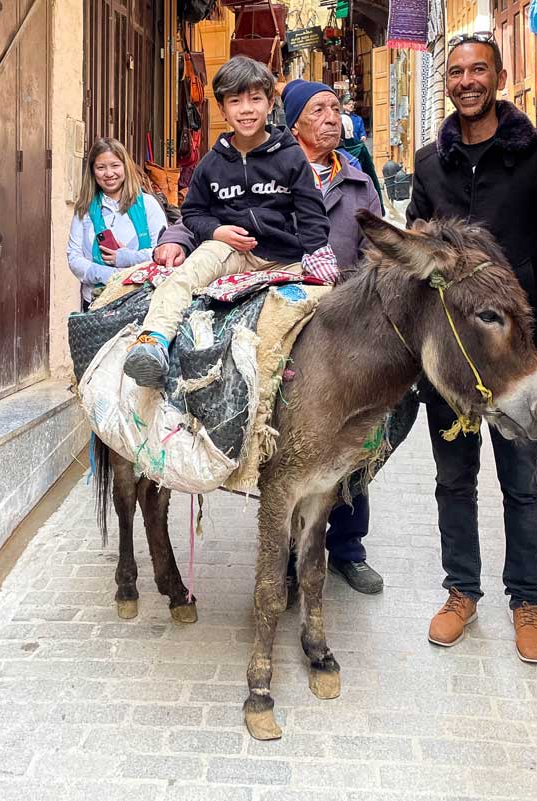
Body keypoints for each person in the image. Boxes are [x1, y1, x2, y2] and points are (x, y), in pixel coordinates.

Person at [154, 79, 410, 594]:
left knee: (349, 437)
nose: (332, 117)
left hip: (339, 321)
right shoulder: (265, 167)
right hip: (281, 306)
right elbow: (202, 213)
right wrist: (174, 240)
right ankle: (288, 561)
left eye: (336, 108)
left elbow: (377, 250)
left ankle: (347, 549)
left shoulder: (358, 183)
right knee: (290, 432)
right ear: (292, 122)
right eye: (319, 109)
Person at [406, 33, 537, 665]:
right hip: (454, 361)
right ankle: (461, 591)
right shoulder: (431, 163)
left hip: (518, 355)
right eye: (456, 72)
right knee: (452, 480)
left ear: (500, 75)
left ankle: (526, 600)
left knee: (522, 483)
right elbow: (415, 246)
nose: (466, 81)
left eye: (477, 69)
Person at [123, 56, 340, 389]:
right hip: (229, 249)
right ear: (223, 110)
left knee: (319, 302)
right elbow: (193, 212)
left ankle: (307, 373)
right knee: (185, 276)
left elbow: (310, 210)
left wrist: (317, 252)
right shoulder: (211, 164)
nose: (246, 109)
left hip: (284, 254)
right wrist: (217, 231)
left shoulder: (290, 155)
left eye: (255, 99)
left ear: (270, 103)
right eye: (235, 101)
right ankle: (152, 342)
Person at [67, 138, 167, 312]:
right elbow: (74, 257)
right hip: (95, 303)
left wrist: (127, 258)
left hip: (142, 301)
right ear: (92, 171)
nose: (109, 173)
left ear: (125, 167)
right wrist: (109, 276)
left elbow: (163, 253)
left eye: (115, 165)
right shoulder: (84, 209)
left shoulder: (148, 205)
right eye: (101, 167)